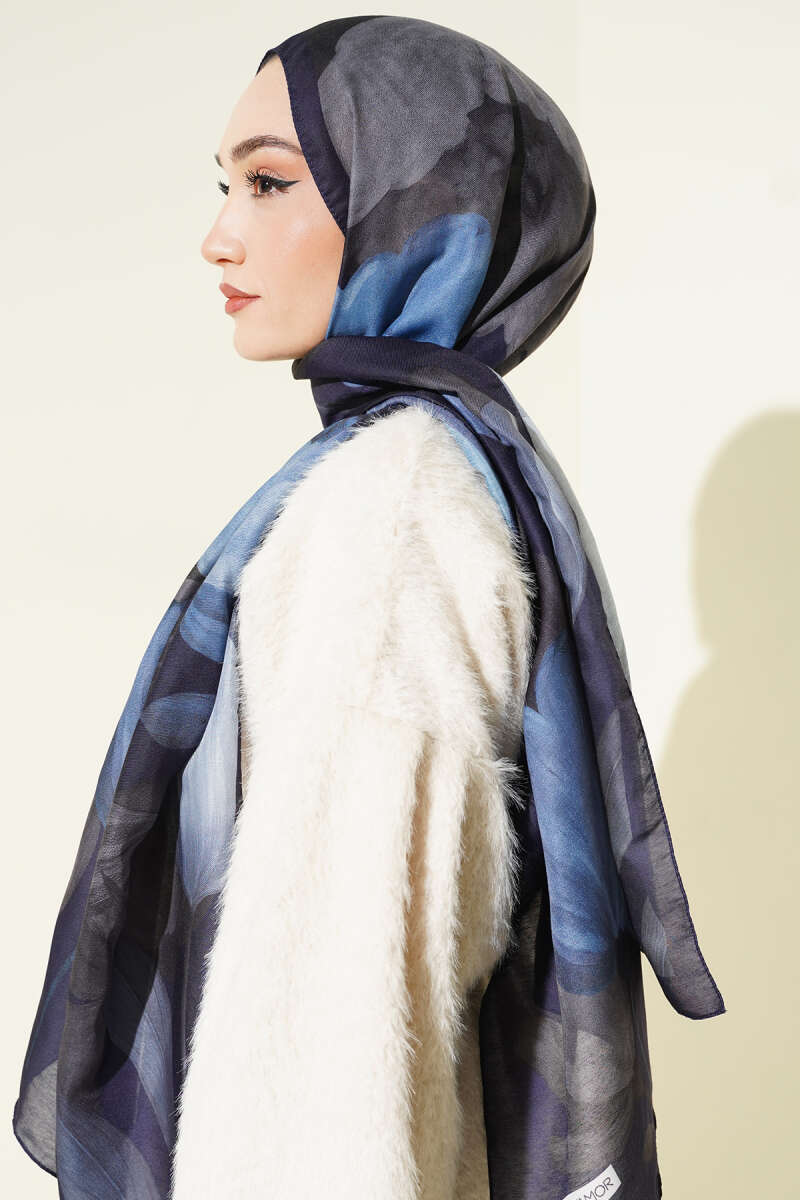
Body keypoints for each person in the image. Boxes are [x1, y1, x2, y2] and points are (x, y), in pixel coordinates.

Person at [170, 48, 537, 1200]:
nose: (218, 238)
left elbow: (334, 1047)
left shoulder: (386, 512)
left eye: (268, 183)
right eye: (224, 186)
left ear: (414, 214)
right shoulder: (446, 468)